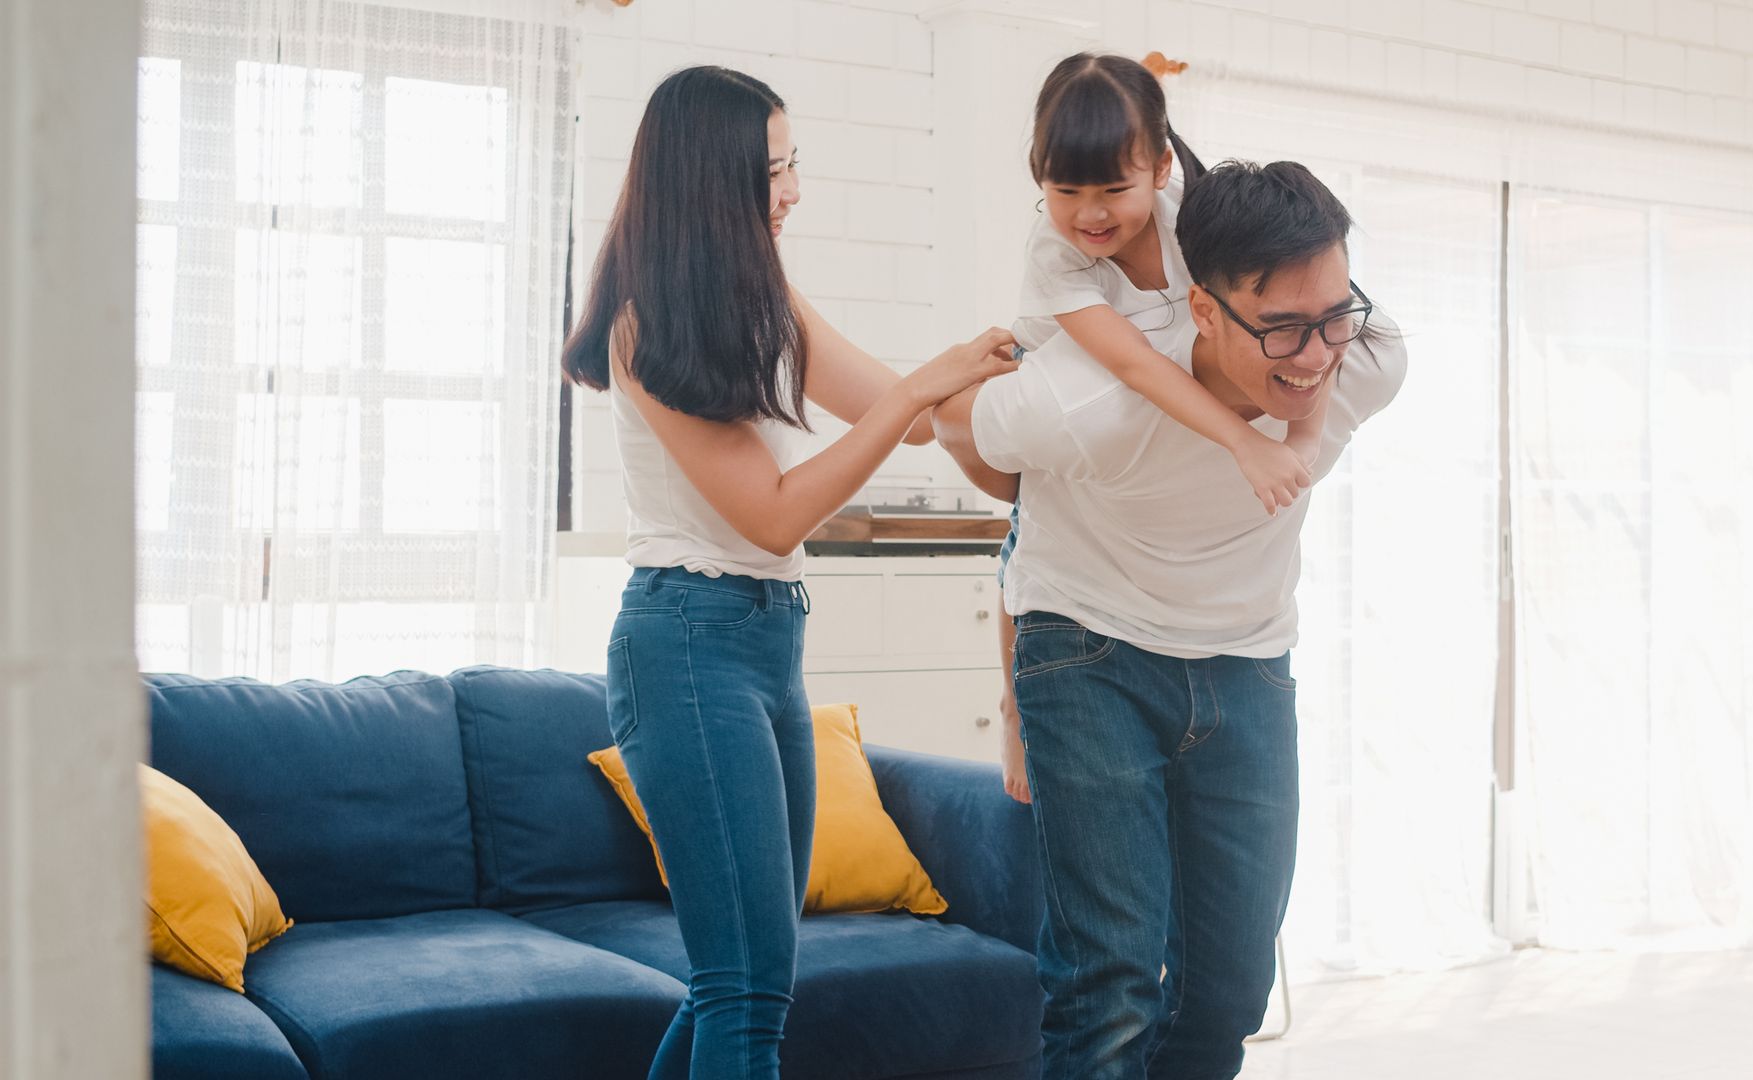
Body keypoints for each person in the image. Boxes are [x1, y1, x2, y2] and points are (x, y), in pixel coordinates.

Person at [560, 65, 1016, 1079]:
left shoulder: (764, 296)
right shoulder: (643, 321)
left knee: (753, 976)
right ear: (714, 180)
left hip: (768, 645)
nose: (795, 188)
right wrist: (918, 399)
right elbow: (772, 517)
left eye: (793, 162)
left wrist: (1028, 400)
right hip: (685, 643)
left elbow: (898, 402)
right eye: (776, 169)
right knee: (748, 987)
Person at [934, 158, 1405, 1080]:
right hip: (1090, 653)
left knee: (1228, 992)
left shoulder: (1369, 360)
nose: (1315, 356)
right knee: (1109, 985)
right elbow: (953, 421)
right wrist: (1029, 488)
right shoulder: (1084, 402)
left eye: (1334, 316)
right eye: (1281, 330)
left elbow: (1326, 336)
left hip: (1248, 665)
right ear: (1202, 311)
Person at [994, 53, 1326, 805]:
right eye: (1064, 190)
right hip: (1065, 366)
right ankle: (1016, 705)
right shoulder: (1054, 252)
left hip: (1169, 429)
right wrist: (1244, 440)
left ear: (1161, 166)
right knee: (1027, 536)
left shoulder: (1196, 214)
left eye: (1116, 188)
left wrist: (1297, 442)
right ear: (1037, 176)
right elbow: (1139, 366)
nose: (1091, 214)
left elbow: (1319, 317)